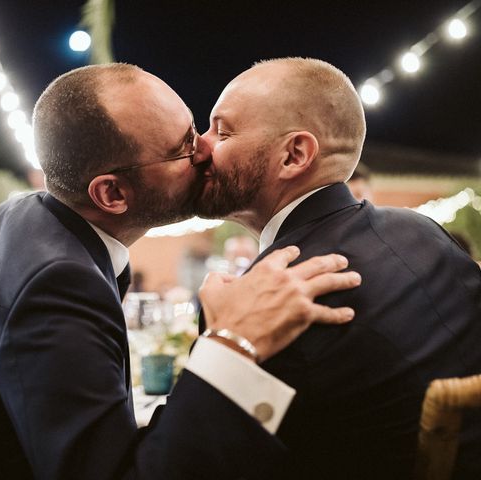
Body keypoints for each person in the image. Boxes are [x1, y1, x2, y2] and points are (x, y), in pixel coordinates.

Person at [0, 63, 361, 480]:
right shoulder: (57, 279)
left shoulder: (25, 219)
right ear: (112, 195)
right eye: (185, 146)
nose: (206, 150)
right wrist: (231, 344)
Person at [196, 57, 481, 479]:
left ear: (294, 154)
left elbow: (203, 458)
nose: (201, 145)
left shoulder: (272, 299)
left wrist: (220, 340)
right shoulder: (421, 229)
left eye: (223, 130)